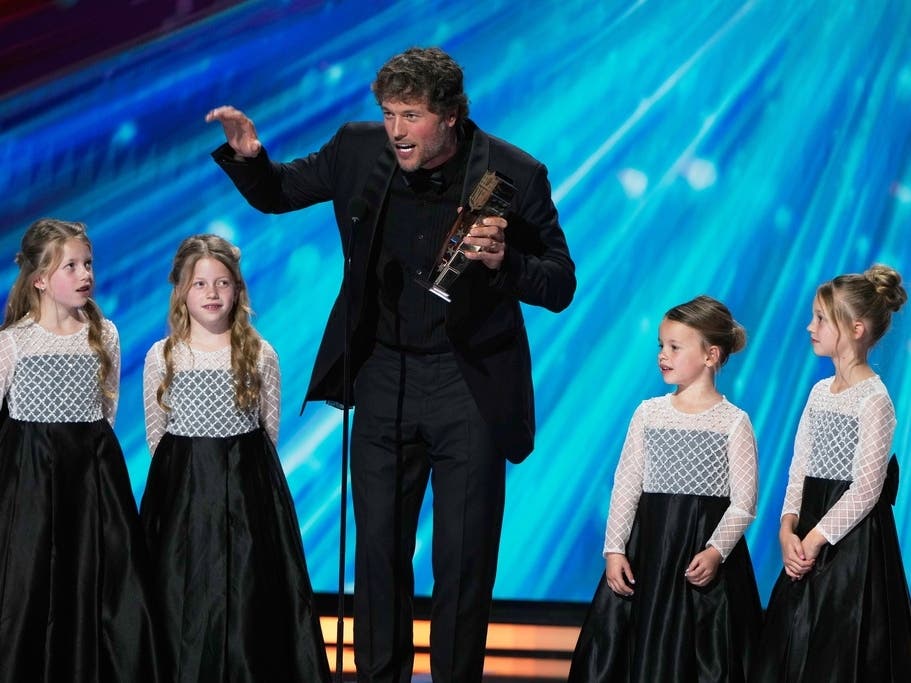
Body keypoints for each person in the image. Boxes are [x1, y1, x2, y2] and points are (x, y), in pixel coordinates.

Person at [206, 46, 575, 682]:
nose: (397, 130)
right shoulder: (357, 149)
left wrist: (504, 263)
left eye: (411, 116)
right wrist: (249, 158)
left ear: (451, 116)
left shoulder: (512, 173)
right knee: (378, 551)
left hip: (468, 386)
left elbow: (560, 283)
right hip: (381, 374)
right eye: (389, 114)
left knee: (462, 559)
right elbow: (280, 191)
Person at [138, 234, 331, 683]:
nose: (212, 294)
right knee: (180, 599)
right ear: (182, 291)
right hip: (183, 504)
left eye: (222, 283)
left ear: (238, 289)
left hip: (247, 500)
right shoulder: (163, 356)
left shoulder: (260, 355)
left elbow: (268, 432)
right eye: (200, 284)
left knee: (247, 600)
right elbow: (157, 436)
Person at [569, 295, 763, 683]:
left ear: (711, 355)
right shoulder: (648, 413)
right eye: (661, 345)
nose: (663, 354)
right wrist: (614, 549)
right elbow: (626, 485)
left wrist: (715, 551)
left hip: (703, 557)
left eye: (675, 347)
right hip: (650, 554)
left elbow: (743, 503)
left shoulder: (733, 422)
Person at [0, 218, 161, 683]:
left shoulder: (103, 334)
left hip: (92, 479)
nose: (84, 273)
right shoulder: (14, 342)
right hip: (31, 479)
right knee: (30, 584)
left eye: (87, 263)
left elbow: (105, 405)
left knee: (98, 582)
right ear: (40, 279)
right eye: (70, 266)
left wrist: (91, 462)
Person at [751, 264, 911, 682]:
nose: (810, 326)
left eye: (821, 318)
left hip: (849, 546)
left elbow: (865, 489)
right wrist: (788, 530)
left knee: (838, 651)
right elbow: (799, 468)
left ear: (856, 328)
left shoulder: (875, 400)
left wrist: (814, 540)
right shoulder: (819, 391)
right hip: (806, 537)